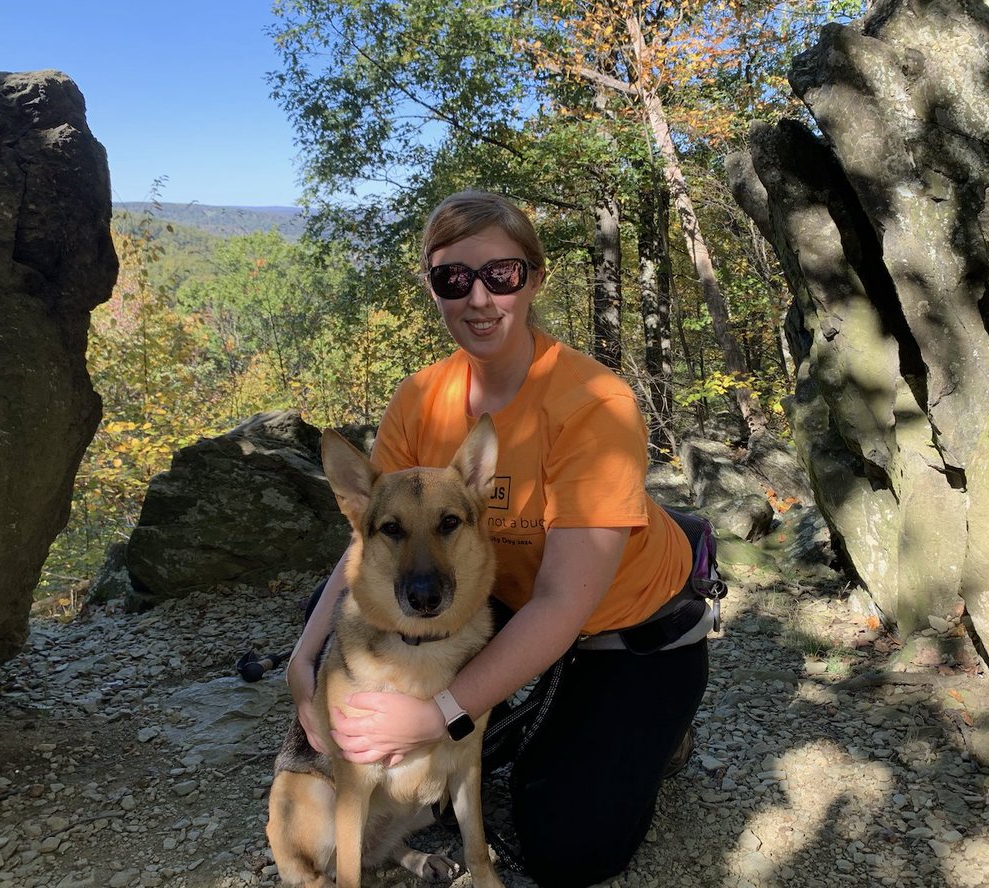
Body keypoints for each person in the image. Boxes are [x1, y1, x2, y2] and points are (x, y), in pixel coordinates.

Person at [286, 190, 711, 887]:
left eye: (501, 275)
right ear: (434, 289)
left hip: (617, 629)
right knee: (338, 610)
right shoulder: (421, 398)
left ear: (534, 279)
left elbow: (561, 606)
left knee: (567, 849)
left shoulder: (593, 405)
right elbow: (376, 537)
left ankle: (659, 733)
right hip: (493, 601)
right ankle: (494, 719)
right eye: (454, 279)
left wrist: (434, 716)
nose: (478, 298)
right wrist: (303, 661)